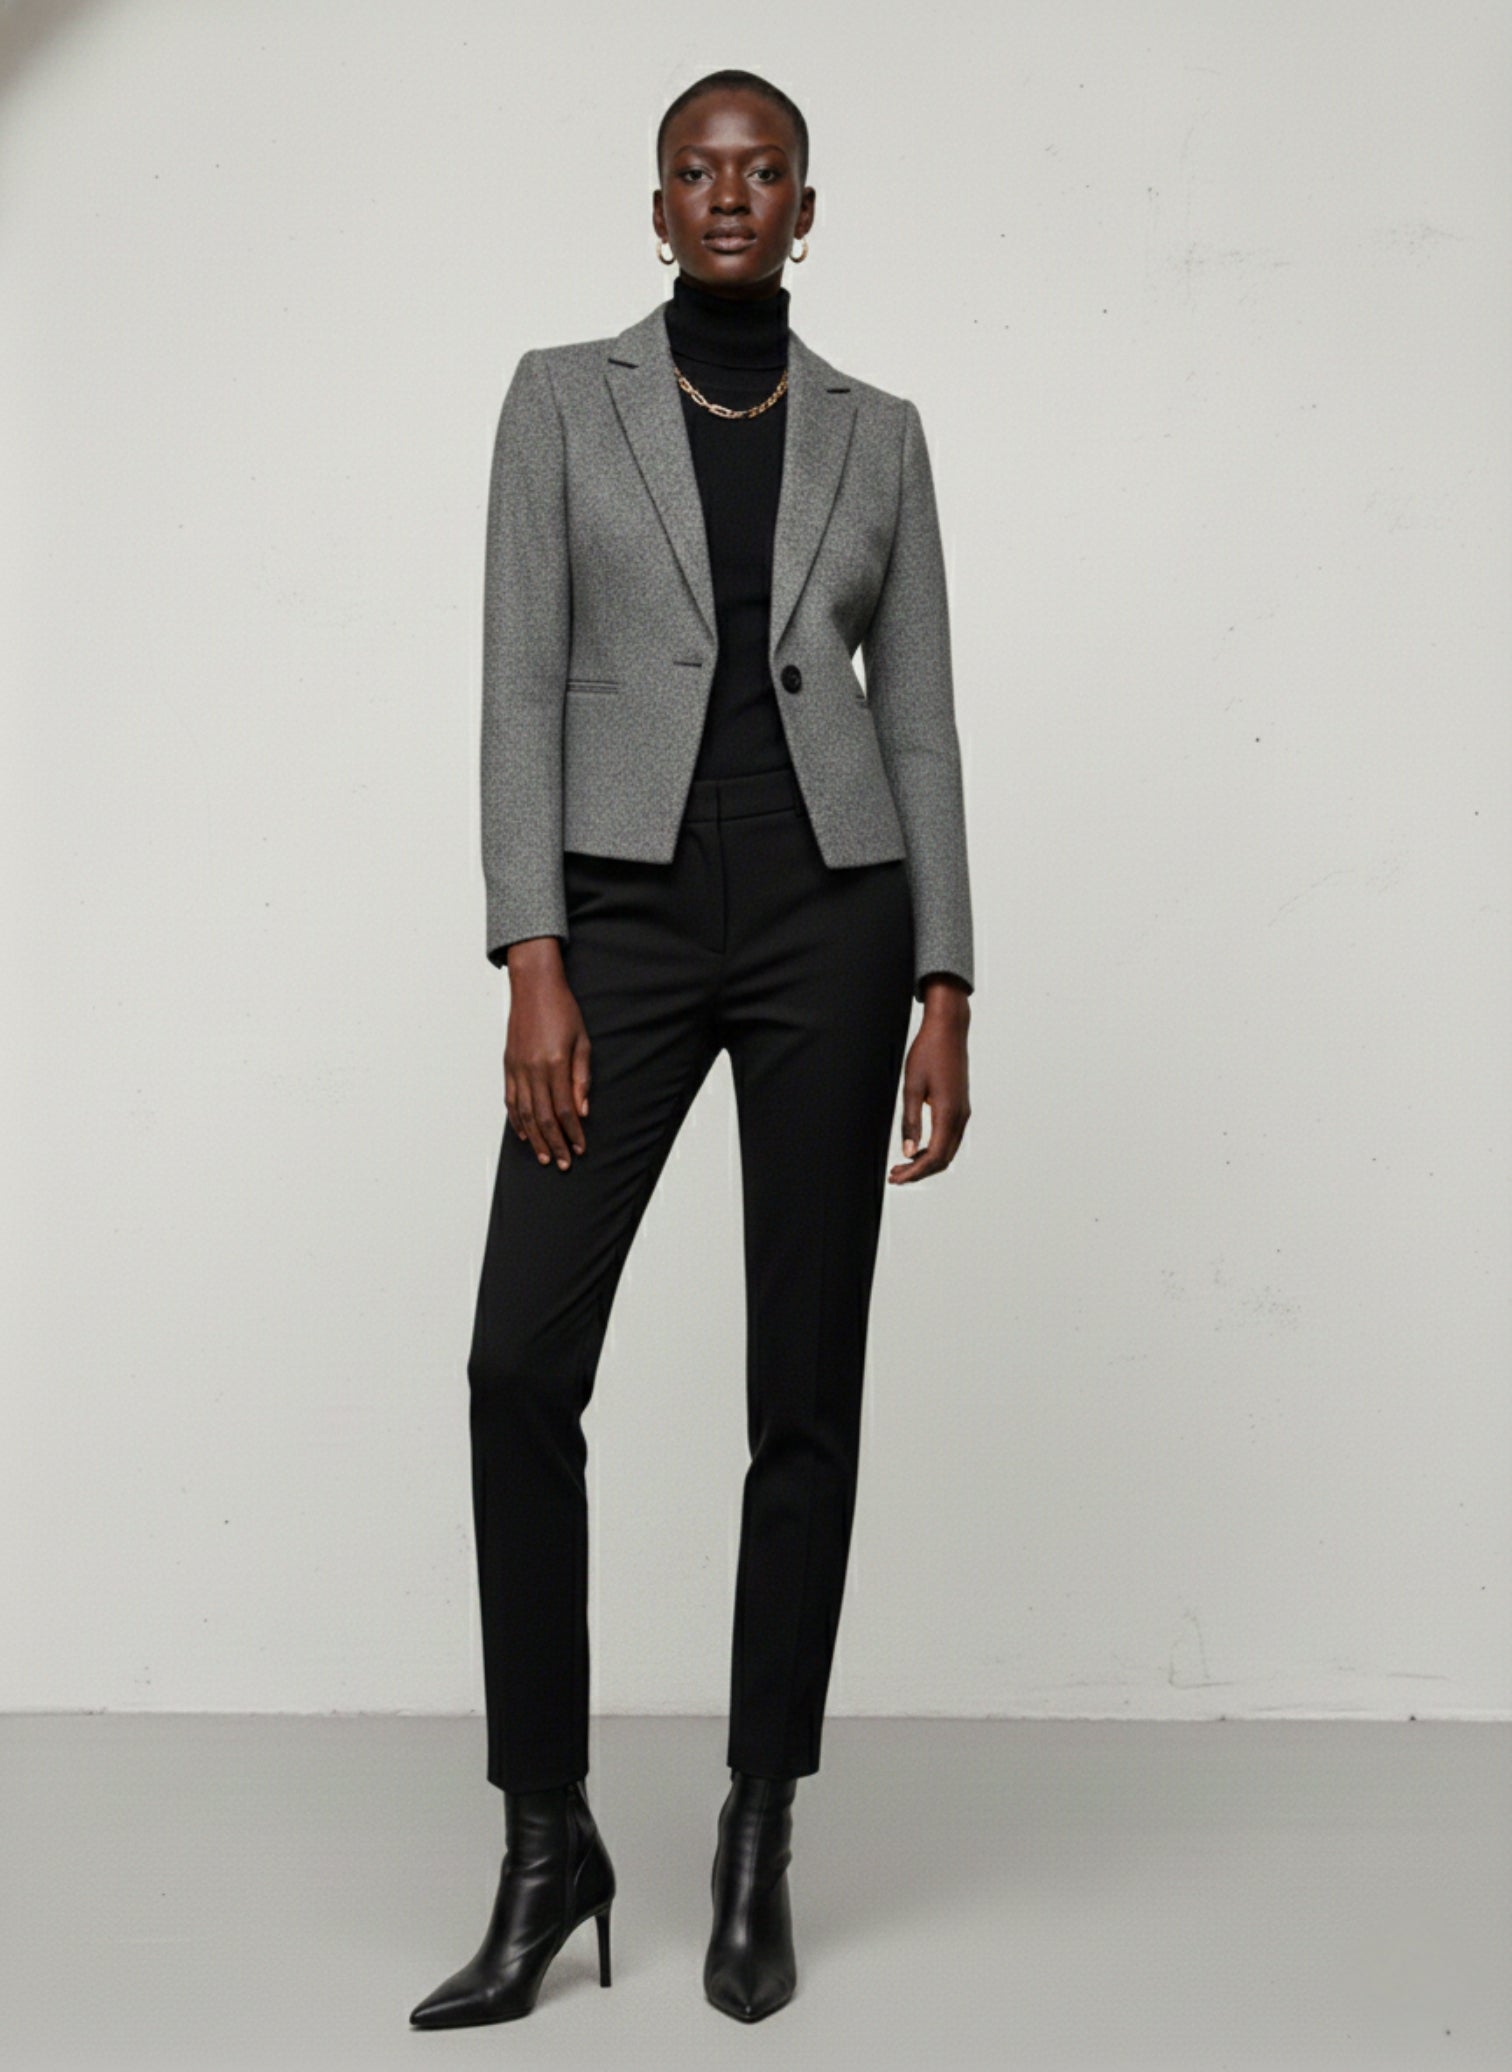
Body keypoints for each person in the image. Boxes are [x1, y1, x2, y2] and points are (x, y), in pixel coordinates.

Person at [410, 67, 974, 2031]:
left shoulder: (879, 434)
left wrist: (949, 979)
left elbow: (920, 718)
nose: (729, 196)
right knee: (517, 1362)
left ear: (806, 209)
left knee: (802, 1393)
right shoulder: (561, 402)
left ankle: (758, 1831)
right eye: (695, 171)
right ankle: (545, 1839)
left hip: (835, 913)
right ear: (656, 207)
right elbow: (515, 690)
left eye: (763, 172)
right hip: (625, 919)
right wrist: (532, 952)